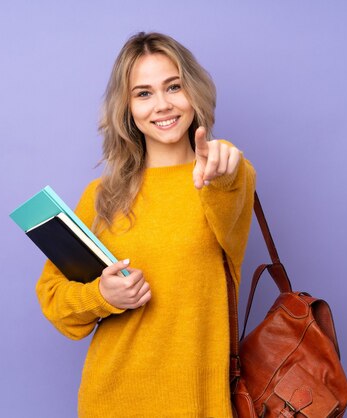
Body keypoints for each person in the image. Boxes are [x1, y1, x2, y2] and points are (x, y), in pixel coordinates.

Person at [36, 32, 256, 417]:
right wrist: (102, 297)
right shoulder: (102, 196)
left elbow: (230, 196)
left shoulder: (226, 175)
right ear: (127, 108)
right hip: (112, 397)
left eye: (174, 86)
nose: (163, 104)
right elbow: (53, 297)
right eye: (143, 93)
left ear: (195, 92)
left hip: (199, 403)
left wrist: (225, 167)